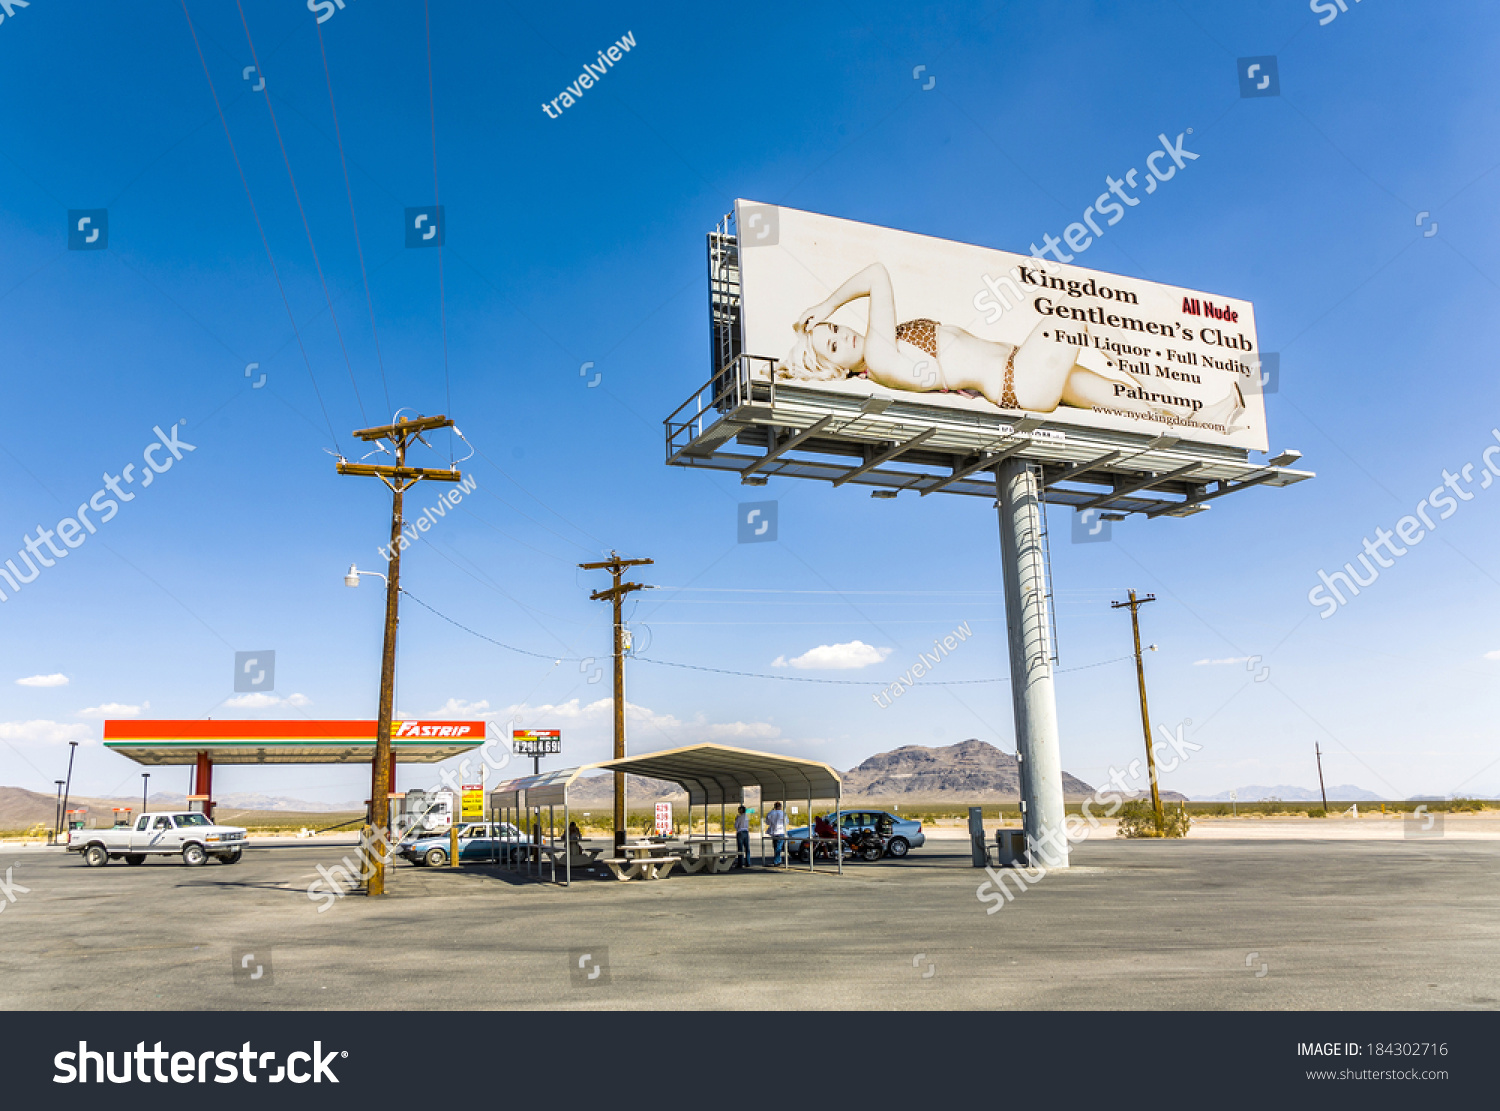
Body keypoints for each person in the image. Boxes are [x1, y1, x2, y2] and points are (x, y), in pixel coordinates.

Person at [774, 261, 1247, 431]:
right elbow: (877, 273)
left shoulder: (884, 347)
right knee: (1079, 307)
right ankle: (1161, 377)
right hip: (1017, 381)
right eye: (833, 346)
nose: (842, 333)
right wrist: (827, 302)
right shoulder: (879, 357)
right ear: (835, 370)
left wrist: (823, 314)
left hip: (1023, 370)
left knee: (1119, 400)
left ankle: (1203, 418)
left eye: (833, 328)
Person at [765, 802, 788, 867]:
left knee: (775, 847)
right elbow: (786, 822)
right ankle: (777, 861)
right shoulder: (783, 813)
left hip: (774, 832)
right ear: (780, 806)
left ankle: (778, 860)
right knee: (779, 847)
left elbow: (767, 822)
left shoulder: (771, 813)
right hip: (781, 832)